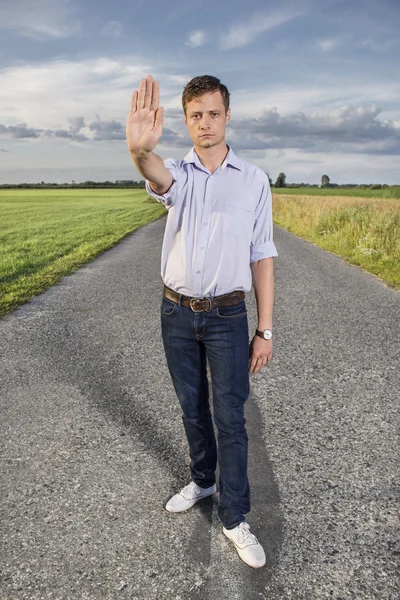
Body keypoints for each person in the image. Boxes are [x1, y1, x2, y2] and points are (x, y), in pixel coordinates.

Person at [126, 74, 277, 569]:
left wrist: (265, 329)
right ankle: (203, 479)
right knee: (192, 408)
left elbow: (262, 255)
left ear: (227, 115)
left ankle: (234, 517)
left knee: (230, 417)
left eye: (213, 113)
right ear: (187, 119)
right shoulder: (178, 172)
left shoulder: (253, 180)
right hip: (176, 312)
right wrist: (138, 153)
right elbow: (157, 177)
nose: (205, 123)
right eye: (196, 116)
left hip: (229, 315)